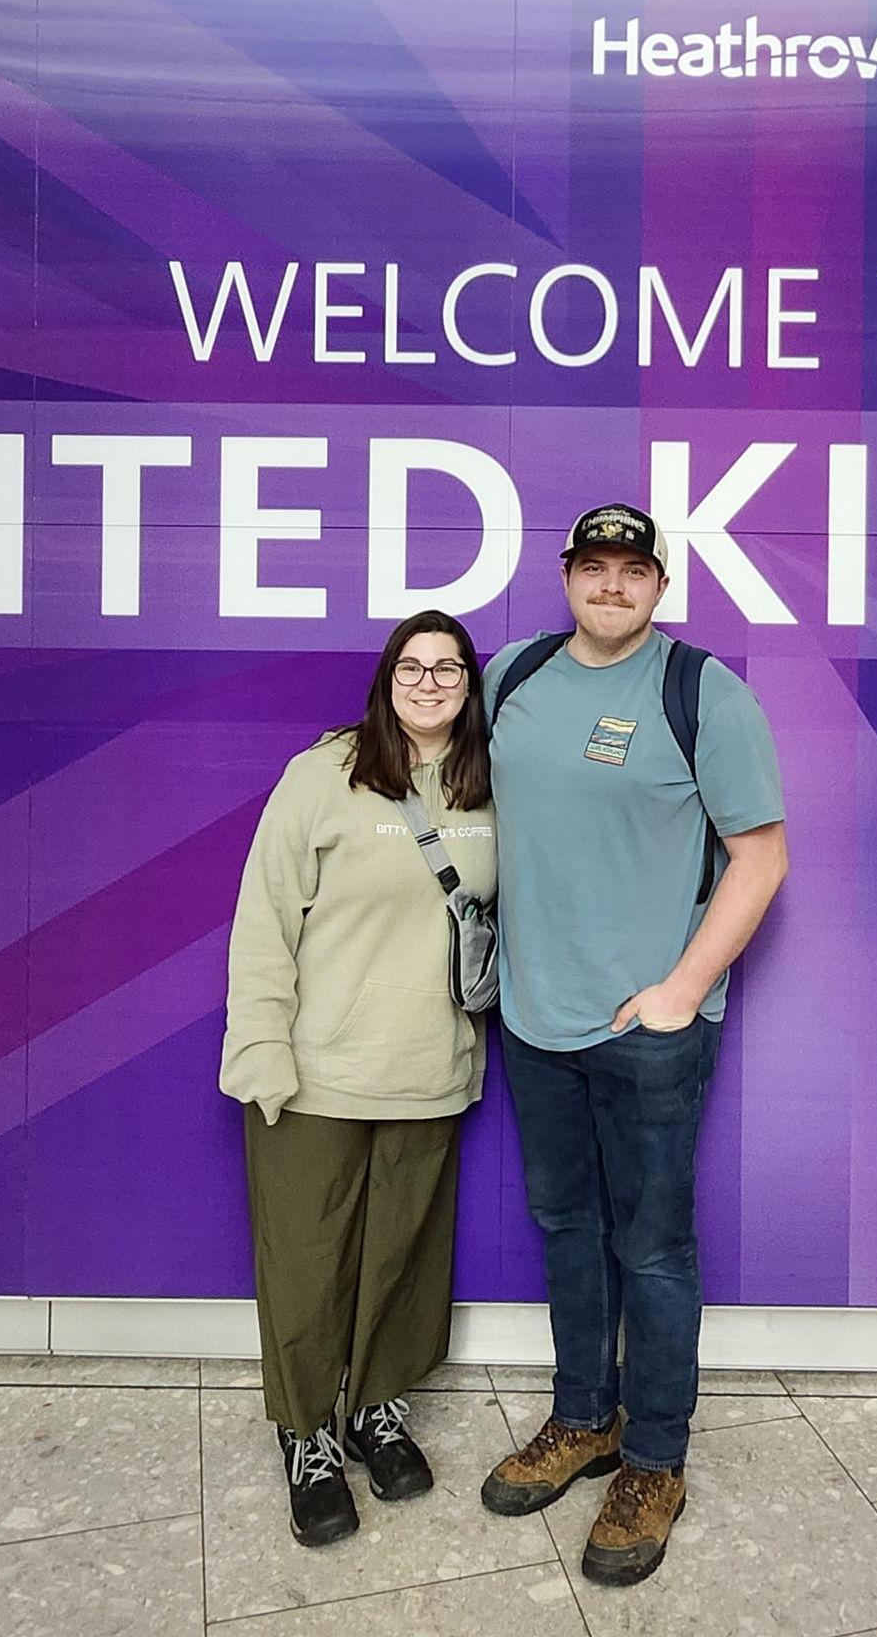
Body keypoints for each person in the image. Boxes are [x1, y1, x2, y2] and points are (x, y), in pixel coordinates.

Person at [478, 502, 788, 1586]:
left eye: (632, 570)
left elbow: (758, 854)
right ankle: (582, 1418)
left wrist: (678, 991)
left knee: (650, 1246)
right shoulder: (509, 673)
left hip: (646, 1032)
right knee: (565, 1222)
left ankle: (654, 1456)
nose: (610, 584)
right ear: (566, 575)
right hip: (532, 1018)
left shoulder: (701, 690)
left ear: (658, 585)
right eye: (593, 566)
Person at [219, 610, 496, 1548]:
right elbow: (265, 919)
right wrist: (260, 1049)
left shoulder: (492, 788)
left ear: (469, 681)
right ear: (386, 680)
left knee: (403, 1261)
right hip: (316, 1075)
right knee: (306, 1263)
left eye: (447, 667)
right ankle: (306, 1437)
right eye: (411, 668)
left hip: (430, 1069)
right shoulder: (323, 776)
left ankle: (376, 1410)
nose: (429, 683)